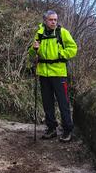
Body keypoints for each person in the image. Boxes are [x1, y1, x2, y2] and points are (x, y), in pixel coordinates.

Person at [28, 10, 77, 142]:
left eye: (55, 20)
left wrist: (60, 54)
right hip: (43, 73)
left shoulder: (62, 33)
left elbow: (73, 48)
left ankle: (67, 130)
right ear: (45, 20)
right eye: (51, 20)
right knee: (47, 103)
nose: (54, 22)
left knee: (63, 103)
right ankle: (51, 129)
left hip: (59, 73)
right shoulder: (39, 33)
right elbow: (31, 53)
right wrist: (34, 48)